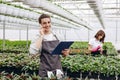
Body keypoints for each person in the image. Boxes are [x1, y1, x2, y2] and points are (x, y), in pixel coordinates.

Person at [29, 14, 70, 79]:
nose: (47, 25)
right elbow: (33, 53)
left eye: (49, 22)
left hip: (58, 69)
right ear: (40, 25)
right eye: (44, 23)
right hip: (45, 70)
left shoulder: (57, 36)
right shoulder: (37, 37)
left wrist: (66, 53)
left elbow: (64, 54)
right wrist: (42, 36)